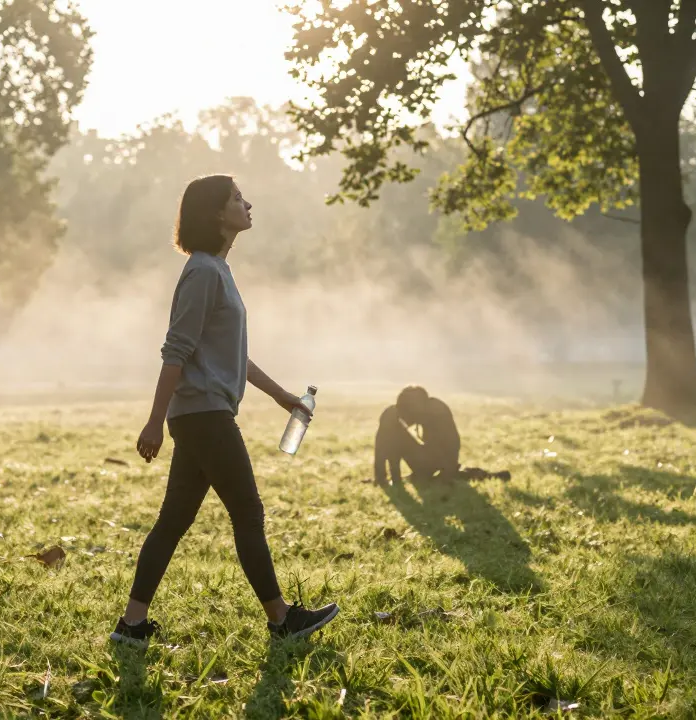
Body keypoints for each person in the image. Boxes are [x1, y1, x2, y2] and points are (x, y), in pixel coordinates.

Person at [111, 174, 339, 648]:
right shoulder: (203, 272)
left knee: (174, 520)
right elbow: (176, 350)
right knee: (248, 512)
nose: (248, 203)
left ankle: (131, 625)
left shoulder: (216, 269)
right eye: (237, 198)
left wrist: (281, 396)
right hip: (203, 414)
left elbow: (231, 353)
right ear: (216, 214)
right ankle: (282, 620)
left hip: (202, 412)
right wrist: (155, 421)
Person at [374, 385, 511, 486]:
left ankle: (480, 475)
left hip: (438, 456)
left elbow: (452, 444)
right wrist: (382, 479)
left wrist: (446, 475)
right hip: (423, 458)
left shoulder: (437, 411)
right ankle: (408, 478)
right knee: (391, 432)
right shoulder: (393, 414)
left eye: (407, 415)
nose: (405, 419)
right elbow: (381, 448)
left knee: (448, 472)